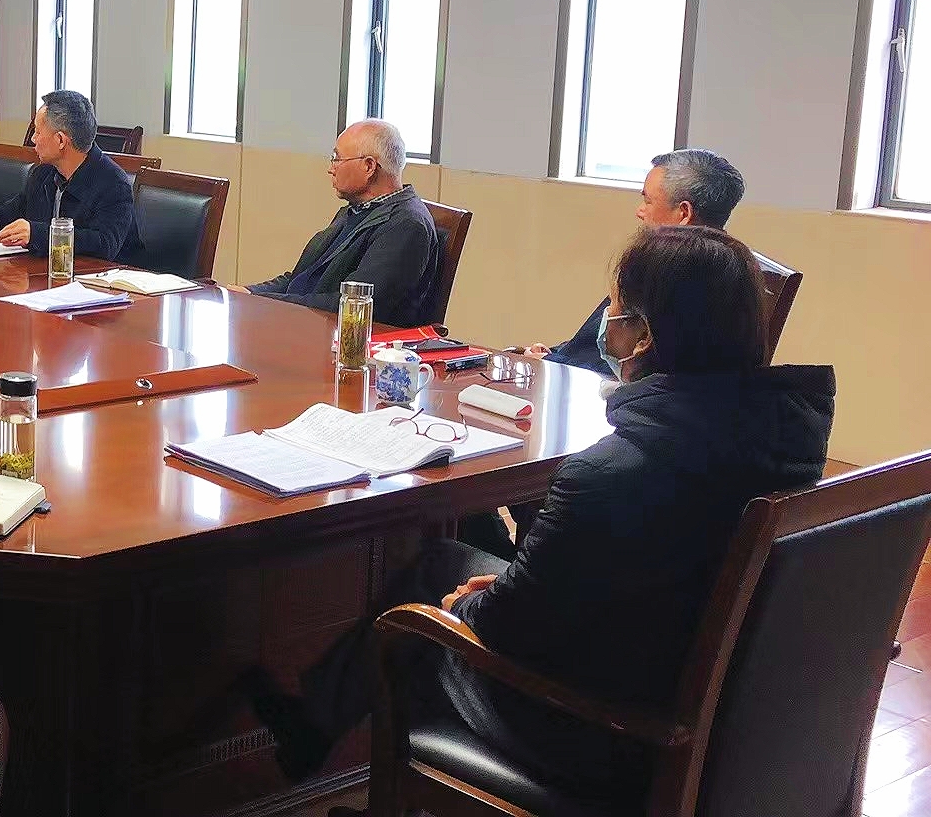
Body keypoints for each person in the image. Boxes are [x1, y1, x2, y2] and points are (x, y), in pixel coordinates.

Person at [254, 225, 832, 803]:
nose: (606, 324)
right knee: (443, 561)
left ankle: (324, 749)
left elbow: (509, 630)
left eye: (615, 312)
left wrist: (469, 606)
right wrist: (513, 586)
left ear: (643, 338)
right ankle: (311, 728)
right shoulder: (791, 443)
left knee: (411, 623)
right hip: (730, 719)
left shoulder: (612, 474)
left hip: (603, 731)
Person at [528, 148, 747, 375]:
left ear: (684, 213)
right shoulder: (738, 270)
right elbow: (592, 346)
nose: (640, 212)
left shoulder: (666, 277)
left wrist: (551, 362)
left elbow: (630, 367)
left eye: (648, 201)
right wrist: (555, 354)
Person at [239, 119, 439, 326]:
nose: (331, 168)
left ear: (369, 166)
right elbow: (301, 278)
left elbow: (355, 304)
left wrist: (264, 302)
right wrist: (249, 293)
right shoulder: (357, 210)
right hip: (308, 323)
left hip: (342, 337)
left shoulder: (407, 225)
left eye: (337, 158)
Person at [0, 89, 140, 261]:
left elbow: (105, 244)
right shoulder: (44, 173)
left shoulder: (113, 183)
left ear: (60, 140)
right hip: (50, 274)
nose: (33, 139)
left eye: (38, 131)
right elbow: (9, 214)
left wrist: (37, 234)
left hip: (105, 282)